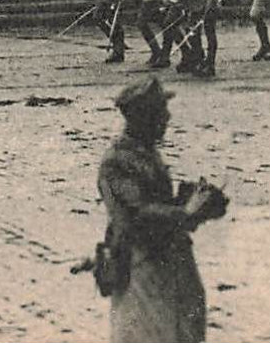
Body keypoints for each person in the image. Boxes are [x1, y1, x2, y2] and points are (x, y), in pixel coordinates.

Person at [96, 78, 227, 342]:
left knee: (184, 329)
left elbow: (156, 203)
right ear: (143, 118)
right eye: (160, 112)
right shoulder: (117, 161)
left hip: (170, 258)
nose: (167, 118)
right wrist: (186, 212)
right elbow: (137, 215)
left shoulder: (145, 152)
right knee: (149, 334)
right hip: (141, 264)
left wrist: (194, 203)